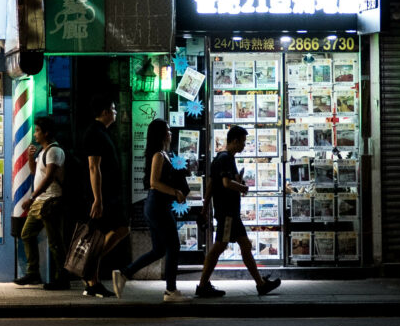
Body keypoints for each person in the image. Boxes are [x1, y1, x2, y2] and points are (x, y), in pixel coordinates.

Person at [196, 124, 281, 298]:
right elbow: (227, 184)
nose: (244, 145)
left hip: (227, 211)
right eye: (243, 141)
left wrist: (205, 209)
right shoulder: (226, 158)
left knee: (245, 245)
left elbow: (212, 185)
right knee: (219, 247)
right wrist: (242, 187)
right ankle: (203, 285)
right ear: (235, 141)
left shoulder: (219, 158)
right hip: (228, 212)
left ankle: (260, 284)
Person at [112, 119, 188, 302]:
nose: (170, 133)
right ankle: (170, 291)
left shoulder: (166, 154)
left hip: (158, 206)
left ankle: (125, 273)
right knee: (173, 247)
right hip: (157, 206)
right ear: (161, 134)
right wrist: (175, 192)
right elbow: (154, 182)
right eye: (167, 130)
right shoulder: (158, 156)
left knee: (159, 250)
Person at [80, 96, 130, 297]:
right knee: (119, 229)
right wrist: (97, 199)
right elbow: (94, 167)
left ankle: (92, 278)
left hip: (108, 194)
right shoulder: (94, 133)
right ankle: (91, 276)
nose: (116, 112)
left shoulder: (102, 132)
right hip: (103, 196)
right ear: (104, 112)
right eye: (113, 108)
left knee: (114, 231)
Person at [15, 114, 68, 290]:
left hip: (51, 201)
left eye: (38, 131)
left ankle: (62, 278)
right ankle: (33, 273)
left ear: (46, 133)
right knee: (27, 234)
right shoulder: (43, 151)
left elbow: (49, 177)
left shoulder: (54, 151)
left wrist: (31, 198)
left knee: (55, 242)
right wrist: (31, 158)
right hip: (41, 201)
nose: (35, 134)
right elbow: (35, 173)